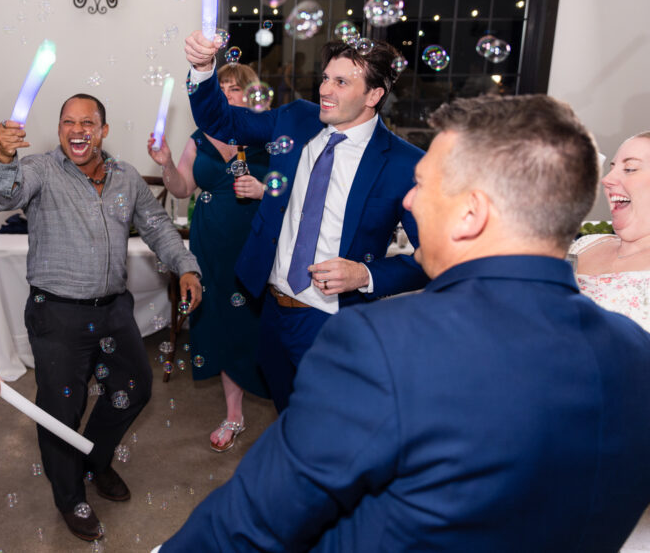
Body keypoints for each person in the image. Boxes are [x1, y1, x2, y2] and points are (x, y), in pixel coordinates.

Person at [158, 94, 650, 552]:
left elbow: (254, 518)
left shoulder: (381, 345)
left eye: (422, 185)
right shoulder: (635, 353)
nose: (409, 202)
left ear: (471, 214)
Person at [0, 94, 202, 542]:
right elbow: (5, 194)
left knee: (133, 387)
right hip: (57, 315)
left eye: (88, 122)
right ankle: (70, 497)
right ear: (60, 128)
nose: (77, 129)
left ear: (103, 130)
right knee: (61, 410)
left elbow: (159, 226)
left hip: (113, 310)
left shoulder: (126, 176)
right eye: (68, 122)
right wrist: (5, 155)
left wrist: (185, 266)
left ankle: (95, 459)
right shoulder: (40, 171)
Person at [184, 31, 428, 411]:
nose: (325, 89)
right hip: (272, 309)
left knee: (331, 426)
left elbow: (433, 256)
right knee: (286, 413)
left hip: (333, 320)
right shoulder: (297, 119)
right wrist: (202, 69)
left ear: (373, 95)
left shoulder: (403, 163)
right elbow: (220, 119)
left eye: (341, 82)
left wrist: (365, 275)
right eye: (326, 77)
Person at [147, 62, 270, 452]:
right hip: (211, 247)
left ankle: (289, 407)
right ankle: (234, 415)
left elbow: (299, 193)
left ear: (251, 95)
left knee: (264, 328)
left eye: (235, 89)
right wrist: (166, 163)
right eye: (221, 89)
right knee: (223, 326)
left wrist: (265, 190)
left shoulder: (268, 136)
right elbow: (182, 188)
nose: (227, 95)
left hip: (259, 246)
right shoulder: (200, 138)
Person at [571, 131, 650, 550]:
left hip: (621, 460)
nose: (608, 177)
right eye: (613, 165)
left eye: (630, 168)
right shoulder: (584, 245)